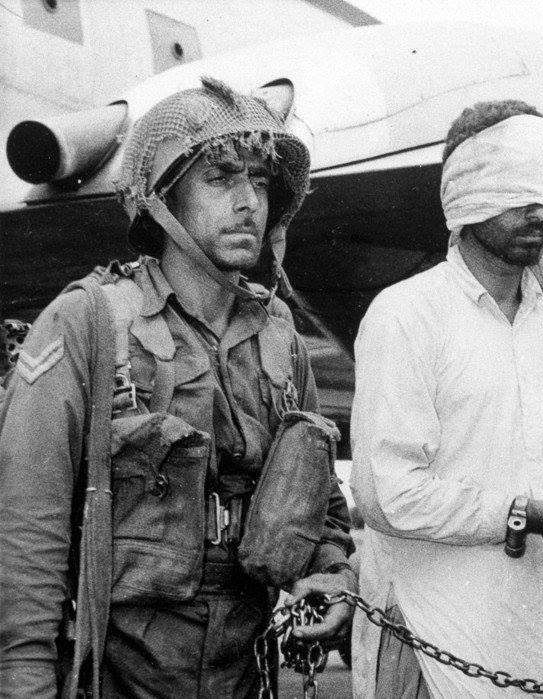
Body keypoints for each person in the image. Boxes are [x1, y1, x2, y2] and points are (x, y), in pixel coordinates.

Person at [0, 77, 356, 698]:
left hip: (243, 669)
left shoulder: (278, 335)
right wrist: (24, 681)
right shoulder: (89, 323)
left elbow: (318, 495)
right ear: (161, 198)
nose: (249, 202)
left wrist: (330, 572)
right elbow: (28, 528)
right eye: (220, 179)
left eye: (259, 181)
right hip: (117, 672)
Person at [349, 100, 543, 696]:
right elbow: (388, 493)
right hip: (435, 642)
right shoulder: (405, 316)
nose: (541, 210)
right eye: (518, 191)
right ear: (463, 196)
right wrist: (524, 513)